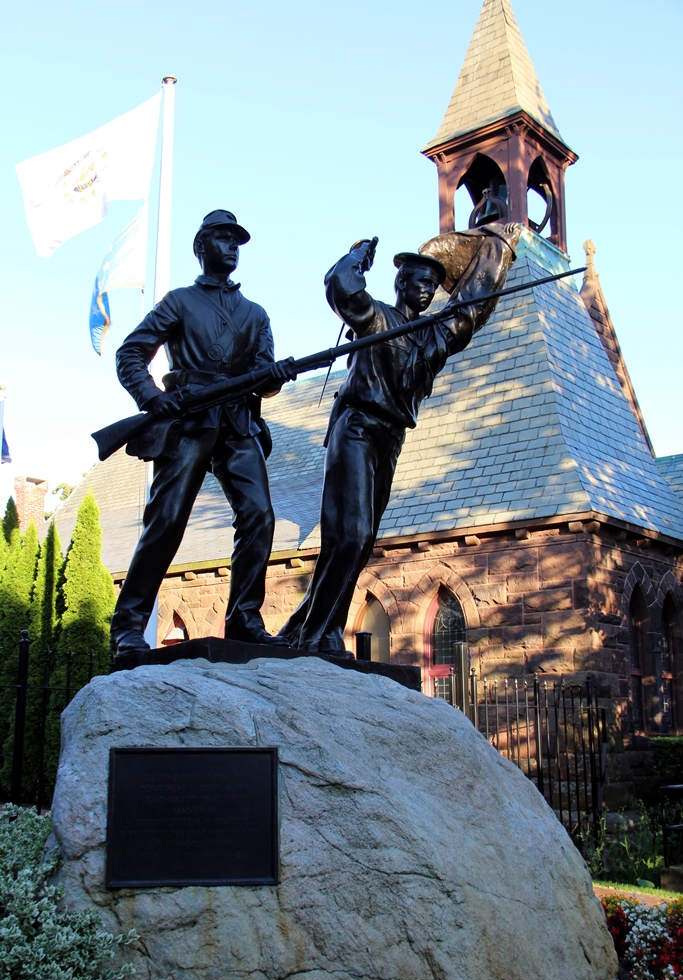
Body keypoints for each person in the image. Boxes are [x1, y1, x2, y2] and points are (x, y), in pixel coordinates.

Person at [279, 223, 520, 656]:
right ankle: (319, 633)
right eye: (420, 281)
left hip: (389, 440)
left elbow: (470, 309)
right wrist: (359, 256)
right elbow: (340, 286)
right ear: (401, 283)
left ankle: (307, 628)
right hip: (356, 429)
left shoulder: (432, 335)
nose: (427, 290)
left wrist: (497, 251)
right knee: (351, 534)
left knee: (361, 541)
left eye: (433, 285)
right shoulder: (376, 319)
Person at [110, 209, 296, 654]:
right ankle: (128, 625)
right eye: (223, 238)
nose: (232, 247)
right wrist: (152, 398)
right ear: (201, 247)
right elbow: (130, 354)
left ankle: (244, 619)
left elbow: (264, 380)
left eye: (236, 241)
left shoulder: (255, 314)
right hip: (190, 418)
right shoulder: (179, 301)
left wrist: (274, 376)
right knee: (167, 518)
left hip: (238, 422)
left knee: (259, 515)